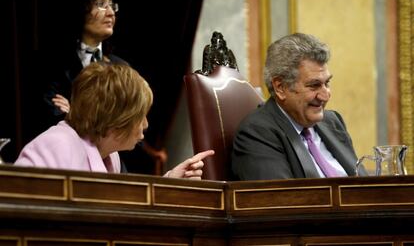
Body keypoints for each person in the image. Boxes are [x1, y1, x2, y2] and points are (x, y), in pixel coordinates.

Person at [37, 0, 166, 173]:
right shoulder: (51, 63)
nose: (111, 13)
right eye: (100, 3)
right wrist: (106, 119)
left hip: (112, 169)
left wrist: (74, 112)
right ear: (79, 7)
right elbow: (49, 115)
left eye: (111, 5)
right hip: (65, 167)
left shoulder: (122, 69)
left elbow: (131, 126)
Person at [15, 62, 214, 179]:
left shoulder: (111, 155)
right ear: (116, 120)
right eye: (140, 115)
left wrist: (171, 180)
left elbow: (125, 207)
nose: (146, 124)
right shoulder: (56, 145)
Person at [231, 33, 362, 180]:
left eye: (327, 83)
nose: (325, 96)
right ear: (280, 87)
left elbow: (361, 181)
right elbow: (282, 199)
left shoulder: (332, 121)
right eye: (314, 85)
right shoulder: (258, 133)